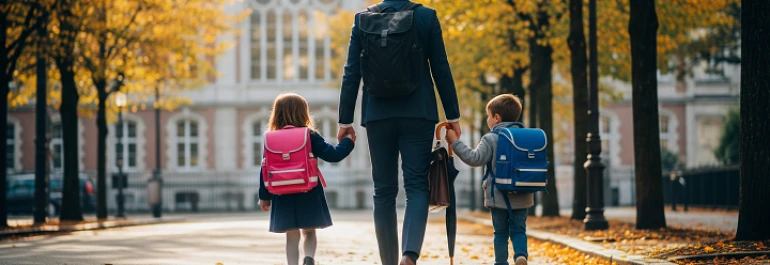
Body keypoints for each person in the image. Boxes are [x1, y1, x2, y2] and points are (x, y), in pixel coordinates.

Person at [337, 0, 461, 264]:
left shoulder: (362, 20)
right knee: (417, 185)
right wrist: (453, 115)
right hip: (419, 112)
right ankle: (410, 253)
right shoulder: (426, 17)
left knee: (383, 190)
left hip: (377, 114)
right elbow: (440, 66)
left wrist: (344, 120)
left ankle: (389, 261)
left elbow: (351, 72)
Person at [258, 93, 356, 265]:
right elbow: (333, 155)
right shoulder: (309, 135)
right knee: (309, 231)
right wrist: (348, 142)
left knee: (292, 234)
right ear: (303, 113)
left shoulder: (270, 138)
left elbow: (265, 168)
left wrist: (264, 197)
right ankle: (309, 258)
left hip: (282, 192)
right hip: (308, 189)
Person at [446, 94, 533, 265]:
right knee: (519, 230)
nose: (487, 119)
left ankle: (501, 263)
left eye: (488, 115)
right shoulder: (527, 137)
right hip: (523, 194)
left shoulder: (491, 138)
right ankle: (521, 255)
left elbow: (474, 158)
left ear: (496, 117)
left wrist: (455, 142)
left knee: (500, 233)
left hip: (498, 196)